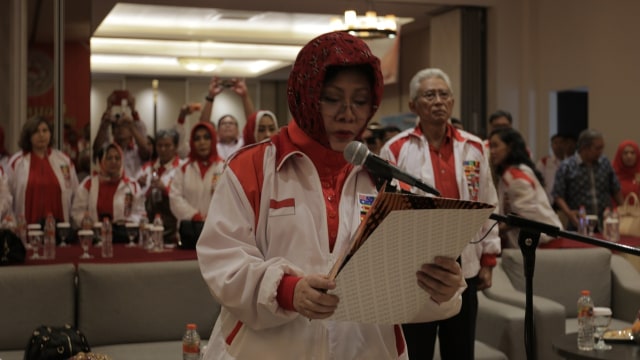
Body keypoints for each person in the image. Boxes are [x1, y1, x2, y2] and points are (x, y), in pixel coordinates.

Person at [196, 32, 465, 360]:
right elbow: (222, 262)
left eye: (360, 100)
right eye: (333, 98)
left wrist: (441, 292)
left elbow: (397, 289)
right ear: (307, 95)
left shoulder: (383, 179)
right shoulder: (252, 167)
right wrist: (286, 291)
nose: (348, 113)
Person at [380, 67, 500, 360]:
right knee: (416, 350)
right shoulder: (395, 150)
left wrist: (489, 258)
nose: (438, 101)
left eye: (443, 94)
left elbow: (488, 203)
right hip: (416, 266)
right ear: (413, 106)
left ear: (453, 101)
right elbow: (385, 212)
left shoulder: (473, 147)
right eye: (429, 95)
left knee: (460, 350)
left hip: (465, 260)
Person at [489, 128, 562, 248]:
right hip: (537, 242)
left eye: (496, 146)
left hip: (542, 244)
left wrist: (494, 232)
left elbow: (525, 217)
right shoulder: (513, 172)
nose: (492, 151)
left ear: (510, 147)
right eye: (491, 147)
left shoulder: (515, 177)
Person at [7, 116, 79, 224]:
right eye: (36, 131)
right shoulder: (16, 162)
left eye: (45, 130)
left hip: (59, 228)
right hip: (25, 228)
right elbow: (7, 196)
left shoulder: (64, 161)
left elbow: (76, 194)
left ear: (50, 134)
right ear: (28, 136)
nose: (41, 135)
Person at [552, 129, 624, 230]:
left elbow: (615, 188)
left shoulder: (604, 163)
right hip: (579, 224)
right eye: (597, 148)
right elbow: (558, 195)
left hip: (604, 224)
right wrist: (569, 213)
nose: (601, 152)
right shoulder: (567, 166)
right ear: (584, 147)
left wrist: (623, 210)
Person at [71, 143, 145, 237]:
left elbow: (140, 213)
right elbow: (77, 211)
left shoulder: (132, 185)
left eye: (117, 158)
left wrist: (129, 222)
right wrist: (84, 220)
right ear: (101, 161)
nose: (113, 161)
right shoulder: (88, 184)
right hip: (95, 237)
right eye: (109, 158)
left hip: (123, 237)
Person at [137, 129, 185, 244]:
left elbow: (185, 198)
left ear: (176, 146)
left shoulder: (183, 168)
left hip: (173, 225)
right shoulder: (146, 168)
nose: (163, 149)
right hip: (148, 223)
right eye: (160, 145)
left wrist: (165, 189)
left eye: (167, 145)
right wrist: (138, 186)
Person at [169, 122, 224, 222]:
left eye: (206, 137)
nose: (202, 142)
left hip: (217, 227)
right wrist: (194, 215)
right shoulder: (183, 168)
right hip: (189, 228)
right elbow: (175, 197)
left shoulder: (224, 167)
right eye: (197, 139)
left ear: (213, 140)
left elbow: (229, 200)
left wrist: (212, 218)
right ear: (192, 143)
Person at [93, 90, 153, 177]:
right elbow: (97, 147)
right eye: (117, 127)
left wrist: (133, 111)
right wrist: (108, 108)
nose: (120, 129)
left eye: (124, 126)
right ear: (113, 132)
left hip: (133, 188)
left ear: (131, 131)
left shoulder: (136, 150)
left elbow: (146, 150)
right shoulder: (108, 150)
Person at [199, 77, 255, 160]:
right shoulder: (212, 145)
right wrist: (211, 96)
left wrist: (245, 96)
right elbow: (202, 126)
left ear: (238, 130)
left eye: (231, 123)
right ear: (217, 131)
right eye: (223, 123)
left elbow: (253, 124)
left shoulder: (243, 143)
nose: (227, 126)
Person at [536, 133, 567, 203]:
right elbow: (537, 182)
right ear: (551, 145)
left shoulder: (570, 163)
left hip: (566, 203)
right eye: (555, 143)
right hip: (548, 201)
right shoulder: (544, 162)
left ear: (565, 145)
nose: (558, 145)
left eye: (561, 142)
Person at [612, 139, 640, 204]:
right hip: (617, 212)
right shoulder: (611, 173)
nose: (629, 156)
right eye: (625, 153)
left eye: (632, 153)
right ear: (620, 155)